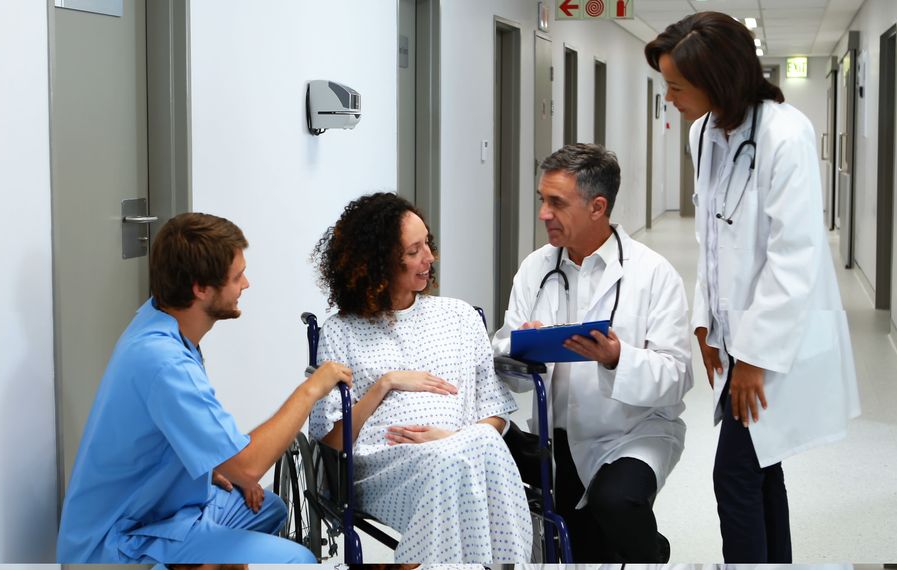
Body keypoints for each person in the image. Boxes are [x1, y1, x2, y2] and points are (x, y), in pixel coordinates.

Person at [645, 12, 861, 563]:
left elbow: (793, 256)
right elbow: (713, 236)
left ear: (717, 81)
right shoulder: (703, 133)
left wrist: (755, 360)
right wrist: (705, 321)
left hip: (777, 338)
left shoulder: (786, 134)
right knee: (763, 470)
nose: (668, 98)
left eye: (675, 86)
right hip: (737, 329)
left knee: (733, 476)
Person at [57, 213, 353, 564]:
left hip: (164, 508)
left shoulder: (161, 320)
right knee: (296, 560)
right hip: (121, 540)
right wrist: (312, 388)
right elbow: (248, 466)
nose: (246, 284)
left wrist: (213, 466)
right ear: (200, 288)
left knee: (267, 509)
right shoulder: (164, 362)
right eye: (237, 276)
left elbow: (167, 429)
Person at [492, 143, 692, 562]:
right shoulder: (535, 269)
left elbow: (676, 376)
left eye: (556, 203)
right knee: (576, 546)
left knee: (616, 504)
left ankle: (652, 553)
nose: (544, 213)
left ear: (597, 206)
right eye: (542, 200)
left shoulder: (653, 275)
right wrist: (521, 347)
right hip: (559, 435)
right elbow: (504, 365)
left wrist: (618, 359)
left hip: (634, 433)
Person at [309, 192, 533, 563]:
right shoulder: (341, 332)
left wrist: (453, 440)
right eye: (414, 251)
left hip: (460, 457)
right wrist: (385, 384)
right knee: (457, 460)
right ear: (378, 263)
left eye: (427, 242)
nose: (430, 257)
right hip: (381, 471)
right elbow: (333, 443)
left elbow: (495, 412)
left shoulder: (460, 318)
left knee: (472, 449)